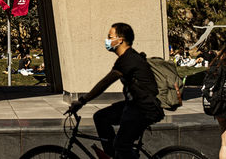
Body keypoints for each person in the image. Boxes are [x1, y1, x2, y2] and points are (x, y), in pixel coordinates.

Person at [67, 23, 163, 159]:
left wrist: (82, 101)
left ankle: (118, 153)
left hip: (143, 109)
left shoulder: (128, 59)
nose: (107, 41)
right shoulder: (126, 58)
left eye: (110, 37)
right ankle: (112, 156)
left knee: (121, 145)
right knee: (101, 117)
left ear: (120, 40)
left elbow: (104, 83)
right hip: (133, 106)